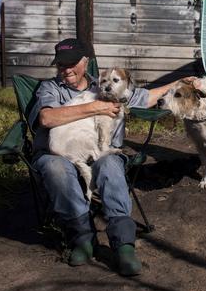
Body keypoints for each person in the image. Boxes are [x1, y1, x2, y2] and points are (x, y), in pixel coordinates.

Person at [28, 38, 189, 275]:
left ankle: (123, 244)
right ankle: (83, 238)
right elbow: (47, 119)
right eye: (61, 65)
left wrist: (179, 81)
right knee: (56, 169)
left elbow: (145, 98)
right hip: (57, 153)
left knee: (111, 165)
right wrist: (97, 108)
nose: (66, 70)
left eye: (72, 64)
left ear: (86, 62)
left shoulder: (105, 83)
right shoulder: (50, 88)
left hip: (103, 150)